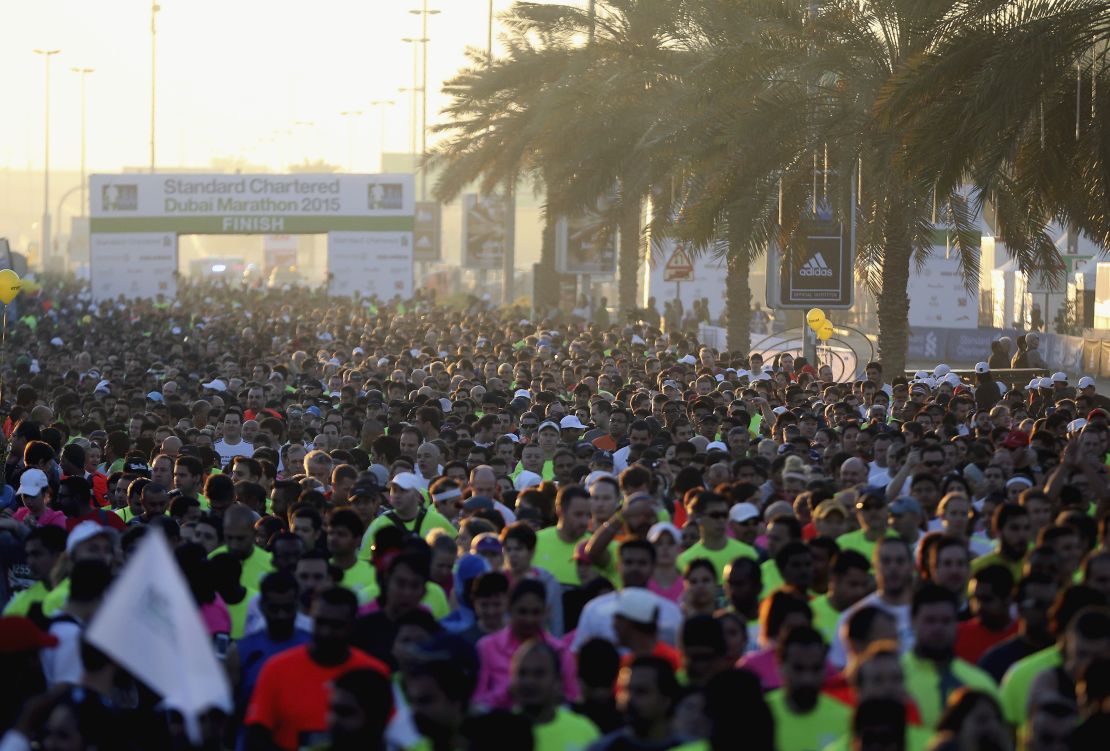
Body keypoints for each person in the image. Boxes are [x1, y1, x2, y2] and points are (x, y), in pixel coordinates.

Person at [244, 587, 389, 750]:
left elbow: (389, 736)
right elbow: (256, 735)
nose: (326, 632)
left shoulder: (374, 672)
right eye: (320, 622)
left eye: (336, 625)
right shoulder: (276, 668)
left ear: (352, 625)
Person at [473, 579, 577, 710]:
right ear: (510, 609)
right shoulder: (487, 647)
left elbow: (572, 699)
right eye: (522, 612)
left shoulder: (560, 650)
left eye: (536, 612)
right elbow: (478, 701)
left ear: (546, 612)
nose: (529, 619)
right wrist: (507, 693)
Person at [765, 625, 851, 751]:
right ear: (780, 666)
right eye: (798, 669)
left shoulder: (846, 720)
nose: (807, 679)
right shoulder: (758, 717)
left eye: (816, 669)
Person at [510, 640, 600, 751]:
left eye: (539, 673)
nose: (529, 682)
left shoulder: (586, 732)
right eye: (522, 673)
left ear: (557, 681)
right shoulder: (496, 733)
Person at [587, 656, 684, 751]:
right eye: (625, 690)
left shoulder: (689, 747)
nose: (629, 698)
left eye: (641, 691)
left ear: (666, 700)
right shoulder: (603, 748)